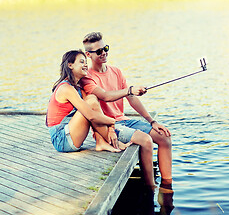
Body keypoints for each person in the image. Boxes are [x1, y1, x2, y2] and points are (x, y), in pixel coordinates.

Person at [80, 32, 173, 190]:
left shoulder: (116, 71)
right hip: (107, 126)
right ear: (88, 54)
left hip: (124, 120)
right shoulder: (87, 77)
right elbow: (106, 96)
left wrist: (152, 121)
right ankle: (150, 188)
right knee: (146, 140)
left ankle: (167, 186)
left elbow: (131, 98)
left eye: (105, 48)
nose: (104, 53)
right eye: (99, 51)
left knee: (165, 137)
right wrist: (129, 90)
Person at [46, 49, 131, 153]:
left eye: (86, 62)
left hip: (70, 133)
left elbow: (93, 112)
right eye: (82, 62)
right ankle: (115, 142)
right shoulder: (65, 88)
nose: (86, 65)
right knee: (90, 103)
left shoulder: (77, 87)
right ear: (70, 65)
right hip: (62, 140)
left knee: (91, 98)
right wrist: (112, 123)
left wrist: (110, 127)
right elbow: (91, 115)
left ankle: (101, 142)